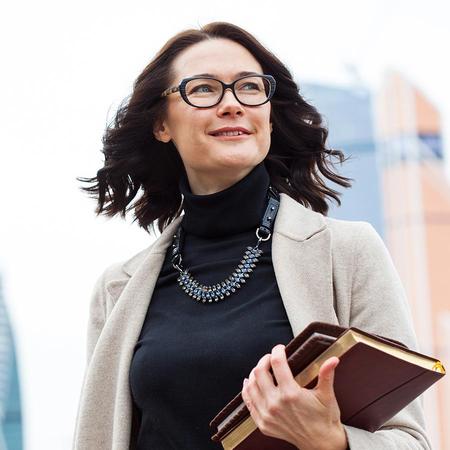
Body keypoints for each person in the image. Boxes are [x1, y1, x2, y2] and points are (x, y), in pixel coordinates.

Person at [73, 21, 432, 450]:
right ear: (160, 124)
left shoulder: (347, 253)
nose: (232, 104)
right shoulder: (117, 290)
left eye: (249, 87)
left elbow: (412, 441)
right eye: (203, 89)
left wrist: (331, 441)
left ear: (269, 113)